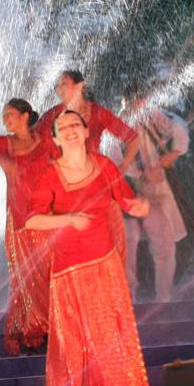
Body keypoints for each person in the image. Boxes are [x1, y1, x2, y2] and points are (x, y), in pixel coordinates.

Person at [25, 110, 162, 386]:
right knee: (75, 340)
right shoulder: (49, 175)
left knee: (108, 336)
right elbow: (32, 219)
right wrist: (68, 219)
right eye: (63, 127)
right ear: (56, 139)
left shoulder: (104, 166)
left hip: (104, 266)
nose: (70, 130)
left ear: (87, 132)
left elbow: (126, 201)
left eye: (76, 124)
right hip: (68, 271)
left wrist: (139, 206)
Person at [35, 70, 141, 261]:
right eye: (57, 85)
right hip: (63, 193)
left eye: (64, 84)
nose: (59, 89)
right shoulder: (52, 116)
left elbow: (132, 138)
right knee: (70, 255)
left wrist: (122, 168)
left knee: (110, 249)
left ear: (79, 86)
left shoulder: (96, 112)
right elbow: (33, 147)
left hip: (97, 189)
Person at [0, 99, 51, 355]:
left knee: (47, 275)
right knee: (26, 277)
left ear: (25, 115)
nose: (5, 119)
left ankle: (52, 328)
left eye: (10, 114)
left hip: (47, 218)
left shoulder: (44, 140)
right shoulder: (5, 144)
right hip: (20, 223)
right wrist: (5, 161)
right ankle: (33, 332)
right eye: (4, 115)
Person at [119, 84, 189, 302]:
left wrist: (166, 160)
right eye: (134, 104)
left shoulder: (157, 117)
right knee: (129, 241)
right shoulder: (119, 124)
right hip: (130, 190)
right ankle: (129, 295)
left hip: (161, 188)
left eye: (142, 102)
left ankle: (163, 296)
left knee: (165, 242)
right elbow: (115, 159)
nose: (139, 107)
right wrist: (140, 176)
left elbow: (180, 132)